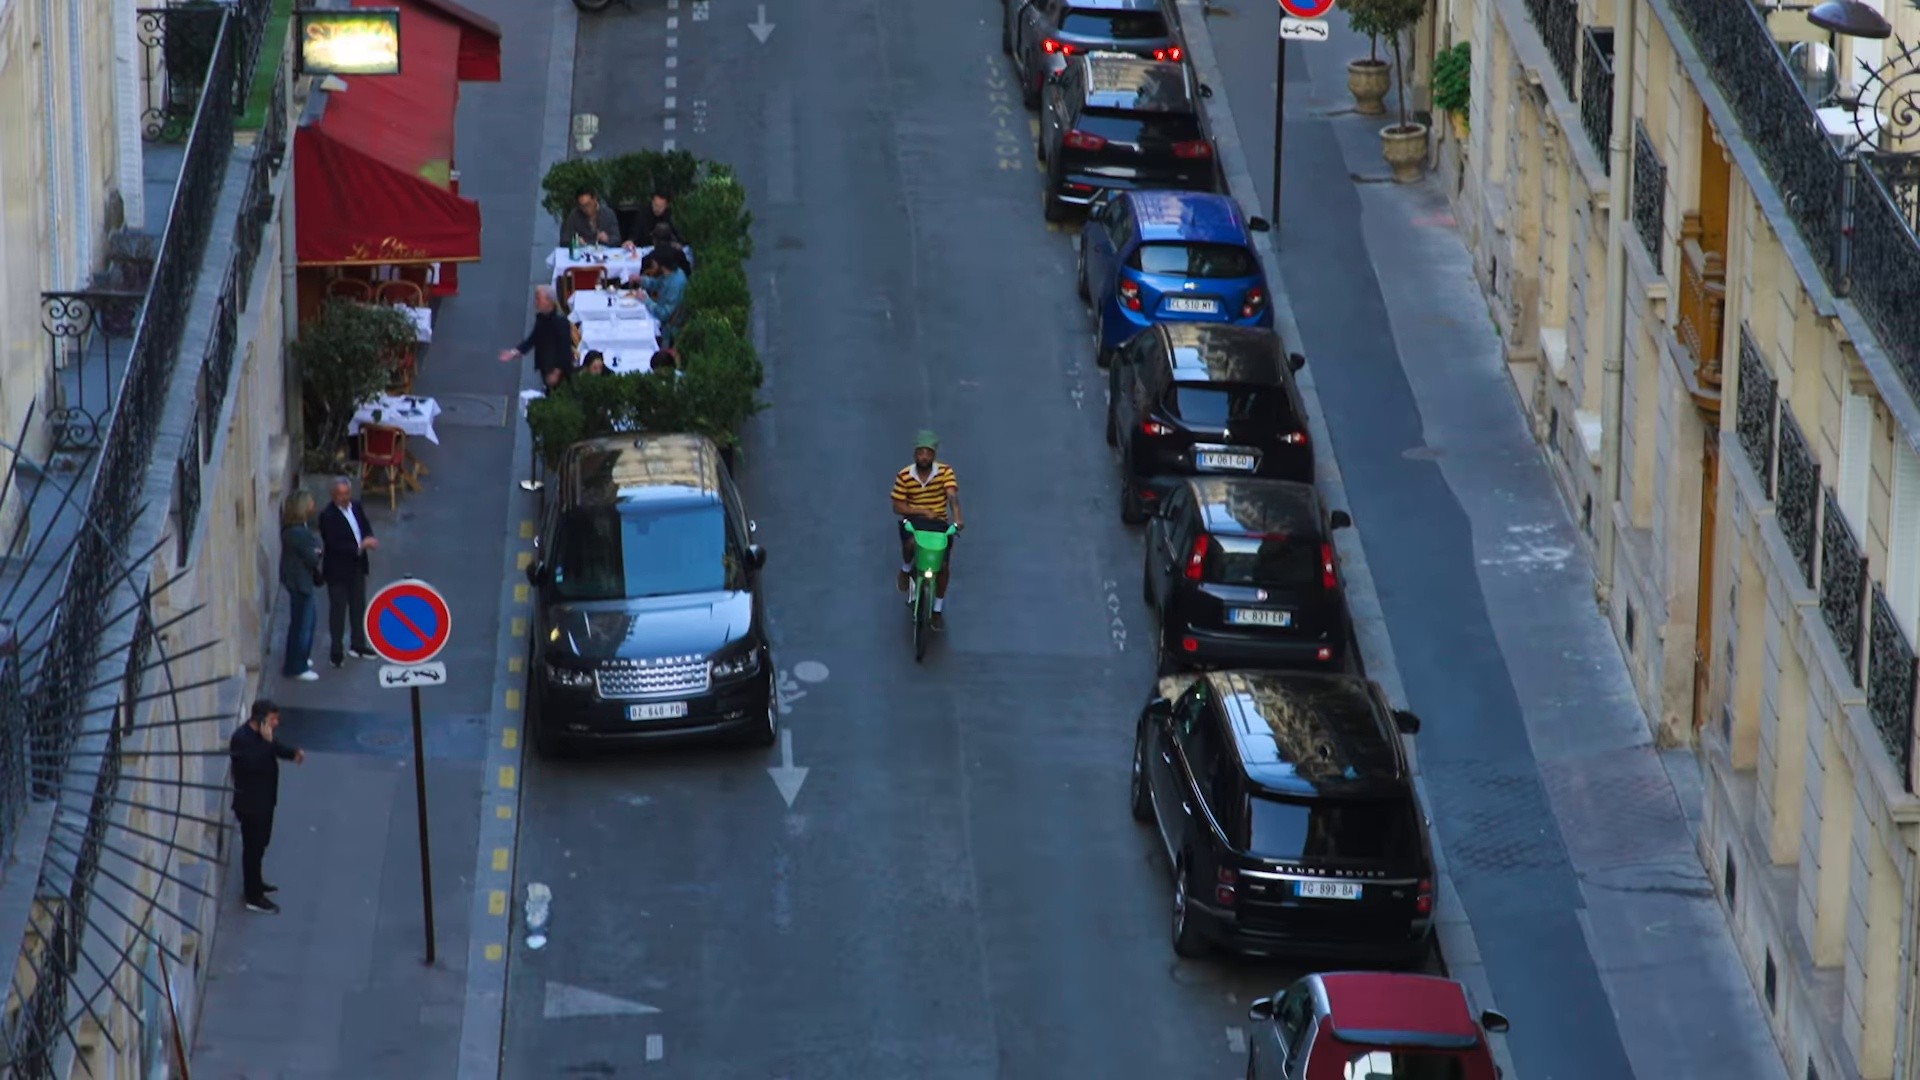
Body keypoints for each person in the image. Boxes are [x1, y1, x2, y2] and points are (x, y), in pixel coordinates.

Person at [230, 699, 304, 914]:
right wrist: (267, 743)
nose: (277, 723)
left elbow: (276, 748)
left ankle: (257, 882)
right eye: (273, 719)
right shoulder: (242, 739)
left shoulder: (264, 737)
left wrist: (292, 753)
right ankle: (253, 895)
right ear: (262, 720)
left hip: (264, 801)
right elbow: (254, 765)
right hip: (251, 805)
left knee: (260, 845)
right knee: (252, 849)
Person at [890, 430, 964, 629]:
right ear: (915, 454)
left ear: (934, 455)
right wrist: (922, 510)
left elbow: (952, 496)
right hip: (914, 521)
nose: (924, 456)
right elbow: (897, 506)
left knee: (943, 568)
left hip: (939, 524)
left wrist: (957, 518)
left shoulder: (945, 472)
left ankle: (937, 610)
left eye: (928, 453)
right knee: (910, 545)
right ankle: (906, 570)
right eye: (921, 452)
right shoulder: (904, 475)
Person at [317, 476, 378, 667]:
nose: (344, 498)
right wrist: (360, 546)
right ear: (333, 495)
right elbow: (333, 544)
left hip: (357, 566)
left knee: (358, 606)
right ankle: (336, 650)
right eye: (340, 495)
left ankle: (358, 644)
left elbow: (365, 527)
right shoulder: (327, 516)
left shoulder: (357, 507)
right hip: (338, 570)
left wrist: (369, 537)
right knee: (338, 611)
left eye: (347, 494)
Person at [278, 490, 322, 682]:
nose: (314, 505)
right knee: (302, 625)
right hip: (299, 582)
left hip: (298, 581)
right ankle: (297, 666)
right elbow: (312, 557)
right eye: (311, 503)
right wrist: (317, 551)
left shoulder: (296, 529)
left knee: (304, 623)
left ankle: (300, 659)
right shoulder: (298, 533)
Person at [500, 286, 574, 388]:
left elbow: (565, 350)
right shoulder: (542, 319)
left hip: (560, 375)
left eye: (538, 299)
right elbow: (533, 339)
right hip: (546, 369)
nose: (535, 302)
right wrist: (514, 352)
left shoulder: (561, 322)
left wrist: (557, 372)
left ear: (549, 301)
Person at [638, 254, 688, 331]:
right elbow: (657, 283)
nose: (653, 266)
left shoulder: (674, 284)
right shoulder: (673, 273)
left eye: (654, 263)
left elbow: (664, 314)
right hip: (662, 313)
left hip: (668, 326)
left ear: (661, 265)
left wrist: (646, 300)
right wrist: (641, 280)